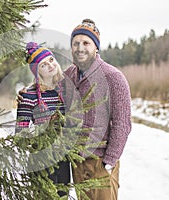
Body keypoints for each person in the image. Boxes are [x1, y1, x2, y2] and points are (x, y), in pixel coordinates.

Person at [64, 18, 132, 200]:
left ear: (96, 47)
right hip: (77, 162)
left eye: (86, 42)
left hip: (100, 162)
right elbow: (48, 90)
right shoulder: (69, 75)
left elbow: (122, 123)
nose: (80, 48)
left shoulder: (113, 77)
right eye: (75, 43)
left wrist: (109, 162)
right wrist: (26, 93)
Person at [15, 42, 70, 197]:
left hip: (64, 160)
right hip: (41, 161)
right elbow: (20, 135)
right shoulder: (29, 95)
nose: (50, 65)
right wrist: (38, 143)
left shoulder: (66, 89)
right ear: (37, 72)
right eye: (43, 65)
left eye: (51, 60)